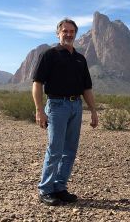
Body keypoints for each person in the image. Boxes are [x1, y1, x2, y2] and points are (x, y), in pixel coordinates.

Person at [32, 18, 98, 206]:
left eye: (71, 31)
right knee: (55, 149)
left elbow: (87, 88)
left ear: (76, 34)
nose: (68, 34)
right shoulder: (49, 55)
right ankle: (45, 189)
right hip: (56, 106)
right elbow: (37, 83)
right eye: (65, 31)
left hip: (76, 106)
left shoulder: (80, 58)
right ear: (58, 33)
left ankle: (60, 187)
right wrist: (39, 110)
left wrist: (93, 110)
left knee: (70, 150)